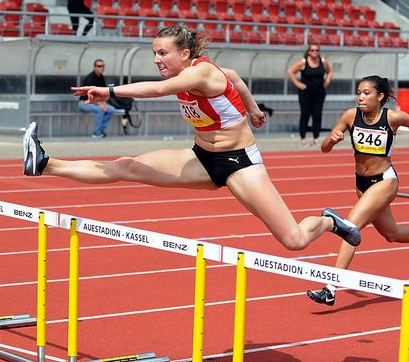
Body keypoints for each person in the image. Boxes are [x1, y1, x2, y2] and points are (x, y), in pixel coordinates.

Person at [23, 25, 361, 253]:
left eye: (163, 54)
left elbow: (157, 90)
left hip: (239, 163)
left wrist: (107, 89)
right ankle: (44, 163)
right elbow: (237, 80)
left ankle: (330, 220)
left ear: (185, 54)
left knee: (294, 240)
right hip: (201, 158)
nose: (157, 60)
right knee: (126, 166)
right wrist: (254, 109)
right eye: (153, 53)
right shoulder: (215, 72)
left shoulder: (200, 72)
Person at [306, 75, 409, 307]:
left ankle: (330, 288)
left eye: (366, 93)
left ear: (380, 96)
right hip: (361, 183)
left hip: (385, 181)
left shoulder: (392, 117)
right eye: (358, 92)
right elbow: (324, 149)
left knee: (350, 227)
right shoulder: (351, 116)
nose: (360, 97)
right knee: (391, 234)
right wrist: (331, 140)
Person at [288, 42, 333, 147]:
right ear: (308, 52)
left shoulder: (323, 61)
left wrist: (326, 82)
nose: (315, 52)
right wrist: (297, 83)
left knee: (317, 115)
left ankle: (316, 139)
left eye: (317, 50)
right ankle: (303, 139)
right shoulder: (303, 62)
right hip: (306, 93)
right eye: (312, 50)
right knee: (305, 114)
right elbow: (290, 71)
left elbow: (330, 72)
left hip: (319, 93)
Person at [78, 59, 115, 138]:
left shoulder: (101, 77)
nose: (102, 68)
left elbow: (103, 93)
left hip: (96, 102)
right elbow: (89, 95)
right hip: (84, 102)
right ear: (94, 67)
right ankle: (97, 133)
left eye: (103, 66)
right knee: (100, 110)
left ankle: (100, 129)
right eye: (99, 66)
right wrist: (100, 104)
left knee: (111, 110)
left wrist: (103, 103)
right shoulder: (90, 78)